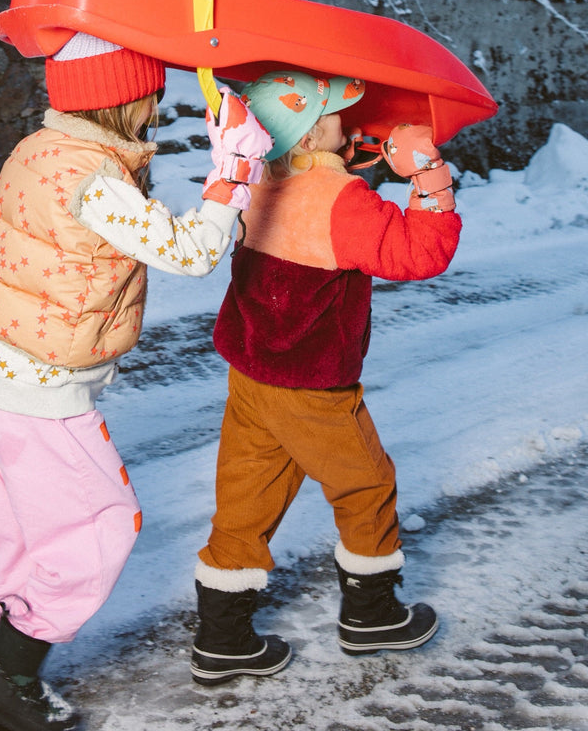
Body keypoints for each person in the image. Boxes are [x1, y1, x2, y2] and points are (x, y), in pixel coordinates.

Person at [0, 31, 272, 731]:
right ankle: (9, 672)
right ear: (119, 97)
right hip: (41, 386)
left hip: (1, 369)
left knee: (26, 528)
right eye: (148, 89)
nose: (157, 101)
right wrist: (233, 171)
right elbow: (185, 252)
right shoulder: (91, 178)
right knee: (99, 527)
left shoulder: (45, 149)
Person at [190, 69, 462, 686]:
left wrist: (346, 155)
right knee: (366, 486)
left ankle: (222, 637)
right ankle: (373, 616)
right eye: (337, 116)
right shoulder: (342, 201)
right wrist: (426, 176)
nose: (350, 120)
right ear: (312, 135)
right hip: (311, 385)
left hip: (253, 374)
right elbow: (418, 254)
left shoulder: (260, 180)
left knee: (245, 498)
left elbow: (316, 197)